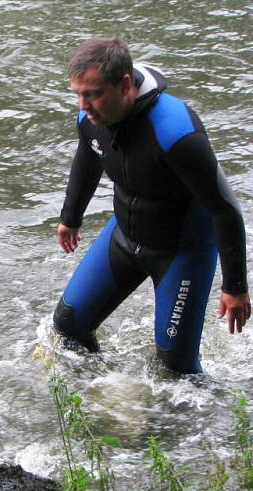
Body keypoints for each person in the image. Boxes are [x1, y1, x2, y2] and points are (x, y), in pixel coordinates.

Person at [53, 38, 249, 374]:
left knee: (176, 369)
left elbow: (224, 208)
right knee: (68, 327)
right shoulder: (90, 118)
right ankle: (97, 401)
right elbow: (88, 156)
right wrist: (70, 217)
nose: (83, 105)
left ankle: (194, 423)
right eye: (78, 94)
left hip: (181, 253)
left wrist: (235, 287)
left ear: (125, 85)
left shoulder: (175, 131)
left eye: (93, 94)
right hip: (124, 238)